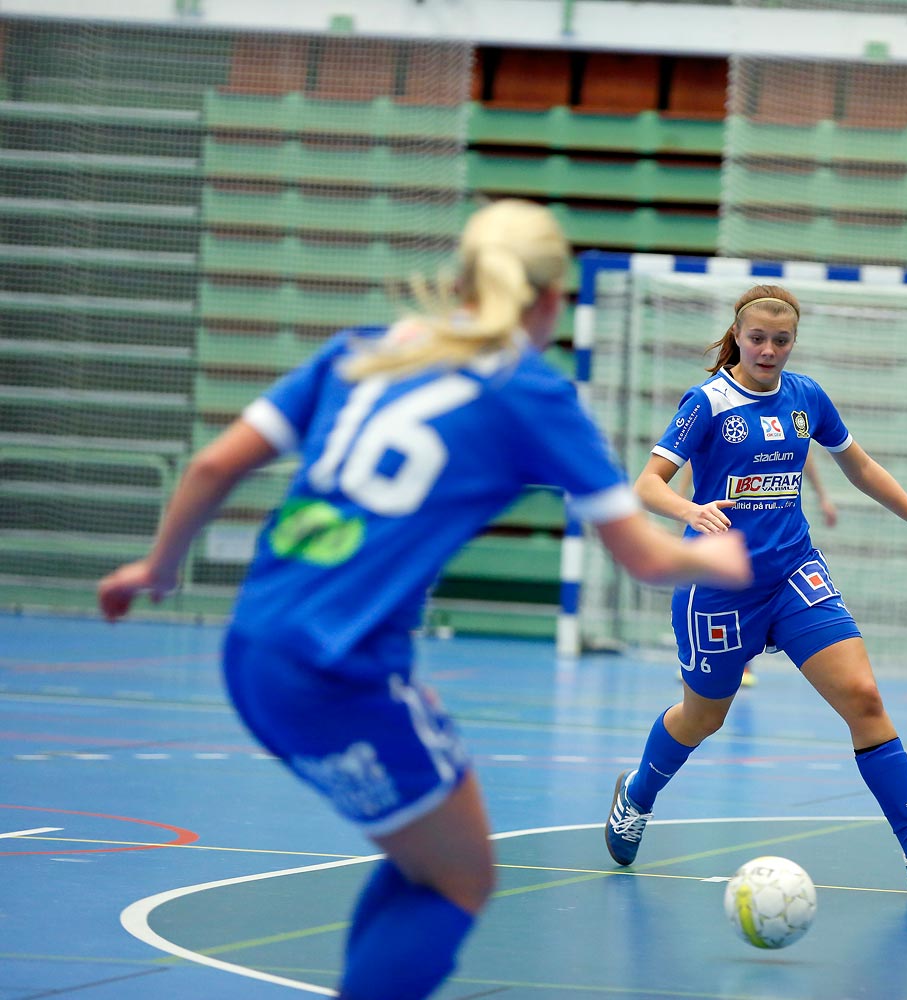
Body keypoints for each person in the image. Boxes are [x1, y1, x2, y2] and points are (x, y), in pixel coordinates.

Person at [96, 199, 750, 1000]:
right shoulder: (530, 393)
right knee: (458, 878)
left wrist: (156, 568)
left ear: (461, 280)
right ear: (553, 301)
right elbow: (648, 558)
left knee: (429, 860)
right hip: (337, 671)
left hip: (250, 649)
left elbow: (209, 468)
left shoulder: (363, 351)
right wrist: (727, 555)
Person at [605, 283, 907, 891]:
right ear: (738, 336)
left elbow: (860, 466)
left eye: (782, 340)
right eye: (758, 338)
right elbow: (647, 484)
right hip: (719, 587)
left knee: (862, 697)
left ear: (793, 341)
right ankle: (638, 792)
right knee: (703, 719)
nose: (769, 350)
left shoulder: (807, 397)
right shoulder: (706, 402)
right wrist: (688, 510)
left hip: (793, 574)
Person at [677, 451, 837, 688]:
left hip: (765, 529)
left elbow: (806, 455)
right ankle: (699, 657)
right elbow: (692, 458)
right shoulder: (716, 418)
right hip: (722, 520)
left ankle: (743, 662)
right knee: (711, 589)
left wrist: (822, 496)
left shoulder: (795, 423)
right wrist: (682, 501)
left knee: (750, 584)